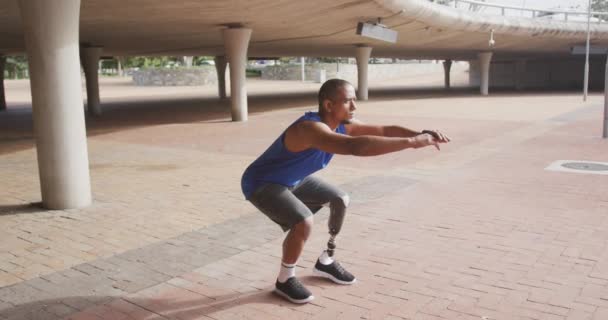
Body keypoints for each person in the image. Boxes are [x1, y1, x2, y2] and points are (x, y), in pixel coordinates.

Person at [241, 79, 450, 304]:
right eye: (348, 101)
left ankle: (326, 261)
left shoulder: (341, 124)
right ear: (329, 105)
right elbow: (355, 147)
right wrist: (411, 142)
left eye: (354, 100)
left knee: (340, 199)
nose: (354, 107)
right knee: (303, 221)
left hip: (295, 179)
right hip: (263, 183)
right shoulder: (309, 128)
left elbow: (385, 130)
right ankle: (285, 279)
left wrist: (421, 133)